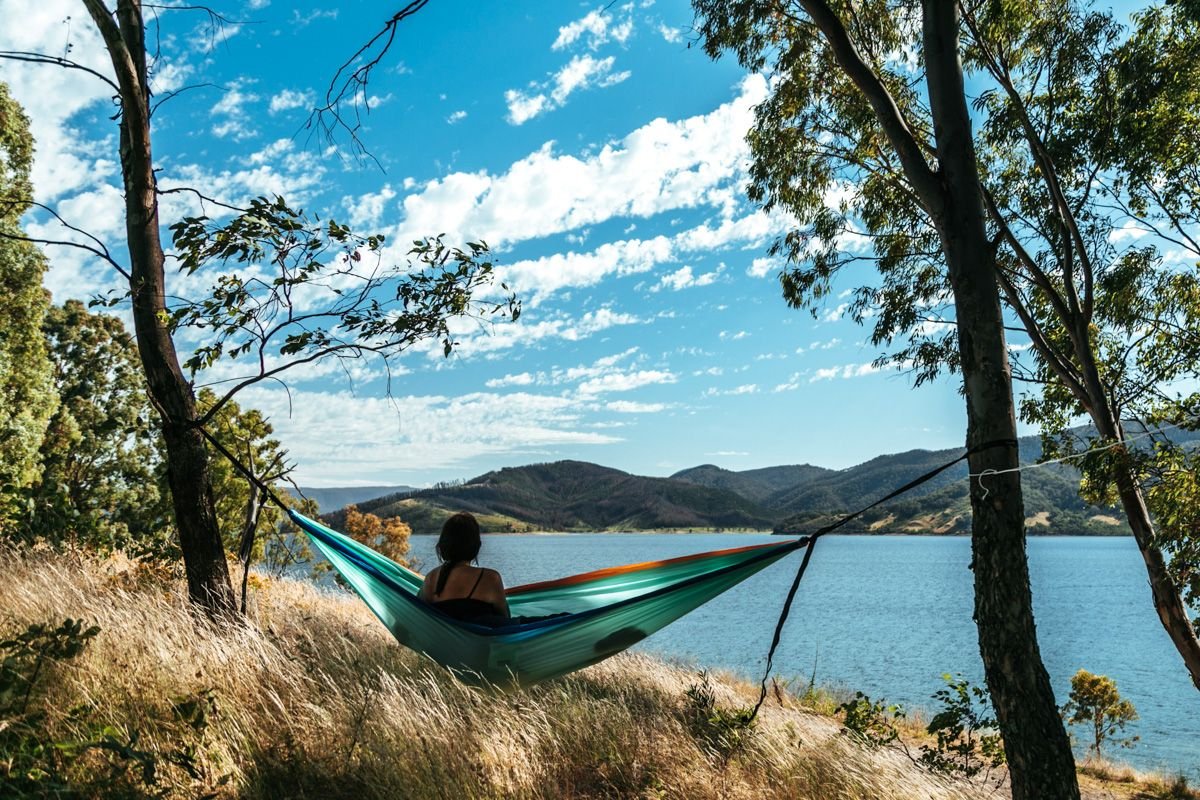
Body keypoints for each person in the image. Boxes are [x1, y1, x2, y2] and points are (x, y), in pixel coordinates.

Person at [418, 512, 510, 625]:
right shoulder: (490, 578)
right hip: (481, 641)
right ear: (476, 545)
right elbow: (506, 619)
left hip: (441, 641)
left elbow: (418, 614)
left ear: (443, 544)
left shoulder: (431, 578)